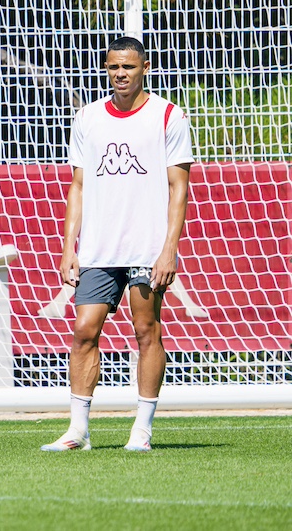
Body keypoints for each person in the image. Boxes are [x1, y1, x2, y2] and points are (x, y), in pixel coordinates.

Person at [41, 37, 193, 453]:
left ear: (145, 67)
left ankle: (141, 431)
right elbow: (78, 185)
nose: (120, 74)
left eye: (128, 66)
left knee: (146, 329)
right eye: (112, 67)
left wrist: (169, 248)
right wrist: (69, 248)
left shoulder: (168, 116)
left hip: (146, 247)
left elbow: (179, 187)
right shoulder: (88, 117)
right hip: (98, 248)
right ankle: (78, 431)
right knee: (83, 330)